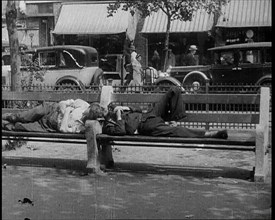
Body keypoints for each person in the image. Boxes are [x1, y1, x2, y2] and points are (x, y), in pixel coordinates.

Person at [101, 86, 228, 169]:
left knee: (174, 90)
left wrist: (128, 108)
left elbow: (139, 110)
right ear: (100, 117)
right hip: (145, 126)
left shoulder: (114, 111)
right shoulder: (108, 126)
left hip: (149, 115)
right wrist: (118, 116)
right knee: (175, 131)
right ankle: (209, 134)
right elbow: (121, 132)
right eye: (103, 112)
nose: (106, 111)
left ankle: (173, 120)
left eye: (106, 109)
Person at [2, 99, 107, 133]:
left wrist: (67, 113)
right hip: (50, 109)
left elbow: (63, 129)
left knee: (19, 127)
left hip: (49, 126)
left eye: (86, 115)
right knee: (22, 117)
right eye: (86, 110)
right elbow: (63, 103)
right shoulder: (83, 104)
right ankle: (6, 117)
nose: (83, 112)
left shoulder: (83, 127)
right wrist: (63, 109)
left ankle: (4, 124)